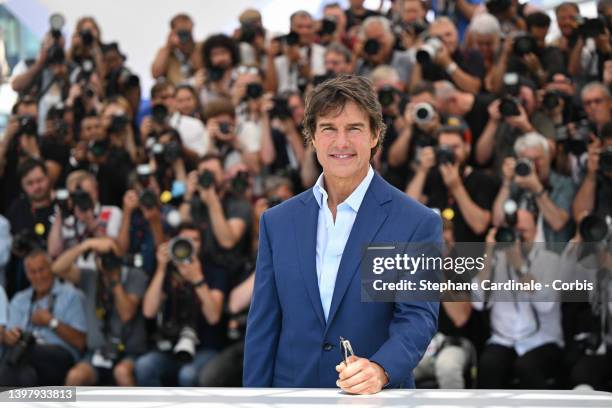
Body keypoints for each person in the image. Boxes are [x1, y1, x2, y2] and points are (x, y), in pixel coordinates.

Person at [243, 75, 441, 393]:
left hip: (375, 399)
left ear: (375, 135)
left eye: (354, 129)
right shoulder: (276, 222)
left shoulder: (416, 222)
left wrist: (381, 368)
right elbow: (263, 326)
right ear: (312, 136)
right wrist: (252, 400)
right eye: (329, 129)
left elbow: (418, 318)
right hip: (293, 396)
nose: (341, 143)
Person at [475, 211, 564, 389]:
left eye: (523, 231)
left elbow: (546, 304)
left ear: (535, 232)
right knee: (488, 364)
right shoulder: (496, 260)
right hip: (504, 339)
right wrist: (488, 253)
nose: (517, 237)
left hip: (543, 339)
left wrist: (520, 267)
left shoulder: (551, 261)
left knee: (526, 367)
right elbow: (478, 302)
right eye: (513, 231)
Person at [135, 223, 227, 386]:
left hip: (205, 348)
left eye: (195, 240)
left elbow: (213, 317)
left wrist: (197, 278)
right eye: (184, 240)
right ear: (173, 244)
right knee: (144, 366)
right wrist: (161, 268)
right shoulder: (167, 272)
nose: (189, 244)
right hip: (170, 348)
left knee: (187, 374)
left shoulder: (214, 271)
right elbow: (148, 311)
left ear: (201, 244)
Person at [51, 237, 147, 386]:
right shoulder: (90, 277)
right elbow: (57, 268)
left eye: (111, 256)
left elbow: (126, 314)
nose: (107, 261)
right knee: (75, 376)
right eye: (102, 257)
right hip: (97, 353)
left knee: (122, 373)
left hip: (128, 353)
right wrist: (85, 245)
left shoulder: (135, 275)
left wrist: (115, 281)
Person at [0, 249, 87, 386]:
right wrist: (10, 336)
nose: (38, 276)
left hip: (59, 355)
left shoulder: (71, 295)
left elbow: (81, 342)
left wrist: (51, 322)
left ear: (51, 269)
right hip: (24, 359)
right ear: (27, 275)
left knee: (21, 354)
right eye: (33, 272)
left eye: (42, 270)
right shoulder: (19, 300)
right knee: (25, 376)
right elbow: (10, 337)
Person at [151, 13, 202, 85]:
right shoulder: (166, 51)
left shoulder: (200, 47)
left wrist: (190, 47)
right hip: (175, 92)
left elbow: (201, 68)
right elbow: (155, 74)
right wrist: (168, 47)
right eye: (180, 31)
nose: (184, 34)